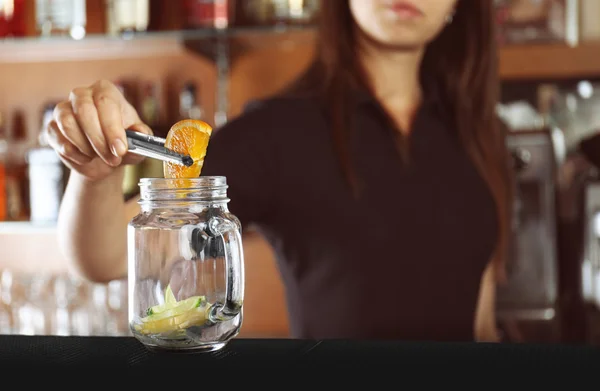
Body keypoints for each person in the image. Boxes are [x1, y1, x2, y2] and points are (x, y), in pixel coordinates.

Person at [46, 0, 514, 342]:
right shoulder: (278, 131)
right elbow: (106, 257)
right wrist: (95, 171)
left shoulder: (479, 134)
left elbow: (480, 323)